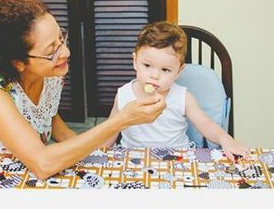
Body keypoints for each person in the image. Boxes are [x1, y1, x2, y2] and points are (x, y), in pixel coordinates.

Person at [0, 0, 166, 180]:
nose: (65, 53)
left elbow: (52, 123)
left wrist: (102, 153)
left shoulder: (49, 72)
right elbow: (43, 164)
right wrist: (120, 121)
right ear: (18, 62)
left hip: (26, 168)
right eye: (51, 50)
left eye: (61, 38)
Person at [103, 21, 250, 162]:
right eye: (147, 65)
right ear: (135, 61)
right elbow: (109, 132)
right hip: (132, 160)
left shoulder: (182, 97)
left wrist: (226, 140)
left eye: (165, 69)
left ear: (179, 71)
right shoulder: (123, 95)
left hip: (176, 160)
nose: (154, 75)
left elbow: (206, 124)